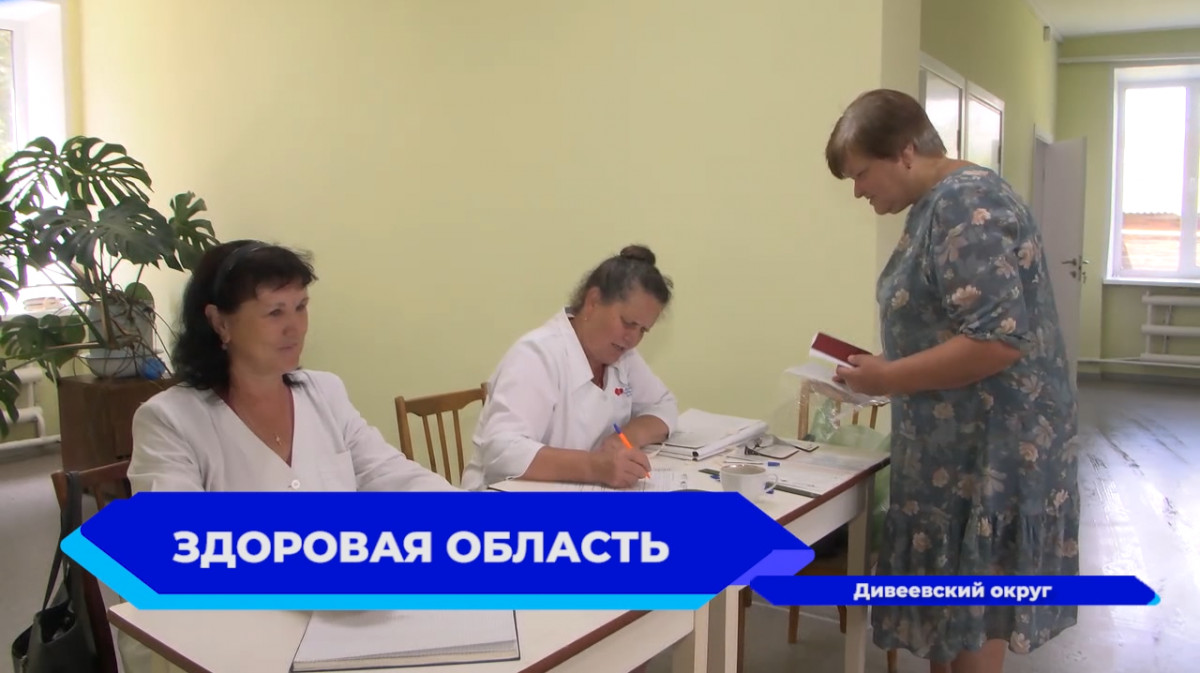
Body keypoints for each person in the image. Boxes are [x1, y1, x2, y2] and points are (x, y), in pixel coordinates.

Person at [823, 89, 1080, 673]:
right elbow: (952, 321)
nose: (858, 191)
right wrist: (884, 365)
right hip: (957, 445)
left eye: (861, 174)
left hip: (989, 448)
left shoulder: (967, 202)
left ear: (904, 152)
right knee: (954, 616)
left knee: (973, 613)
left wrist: (889, 376)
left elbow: (997, 340)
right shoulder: (937, 205)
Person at [128, 239, 456, 493]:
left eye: (301, 307)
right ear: (220, 322)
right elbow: (173, 539)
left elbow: (389, 474)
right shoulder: (170, 421)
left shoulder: (325, 392)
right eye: (275, 313)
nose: (295, 328)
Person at [461, 244, 678, 491]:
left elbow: (664, 405)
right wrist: (596, 467)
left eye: (643, 330)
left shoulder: (622, 355)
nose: (633, 339)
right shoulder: (537, 354)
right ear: (593, 302)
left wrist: (625, 438)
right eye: (628, 323)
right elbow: (502, 451)